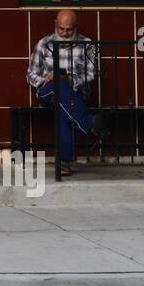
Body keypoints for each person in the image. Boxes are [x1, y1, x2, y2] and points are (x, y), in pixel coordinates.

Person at [26, 9, 100, 173]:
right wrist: (45, 80)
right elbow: (31, 75)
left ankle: (64, 163)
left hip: (75, 93)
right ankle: (87, 123)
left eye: (69, 29)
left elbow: (90, 74)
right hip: (47, 93)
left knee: (63, 104)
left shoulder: (86, 44)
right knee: (57, 88)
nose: (65, 33)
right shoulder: (43, 44)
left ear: (76, 27)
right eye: (61, 29)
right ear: (55, 25)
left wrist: (70, 82)